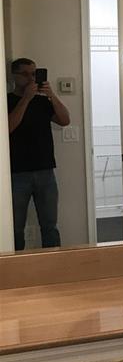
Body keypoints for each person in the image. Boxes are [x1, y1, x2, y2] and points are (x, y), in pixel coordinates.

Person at [7, 58, 70, 250]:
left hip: (45, 172)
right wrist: (26, 99)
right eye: (25, 74)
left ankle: (54, 264)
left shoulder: (43, 102)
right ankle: (16, 265)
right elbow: (7, 128)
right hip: (16, 174)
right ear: (14, 76)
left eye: (34, 74)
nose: (31, 78)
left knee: (50, 226)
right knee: (15, 229)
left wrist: (52, 95)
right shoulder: (6, 100)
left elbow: (64, 120)